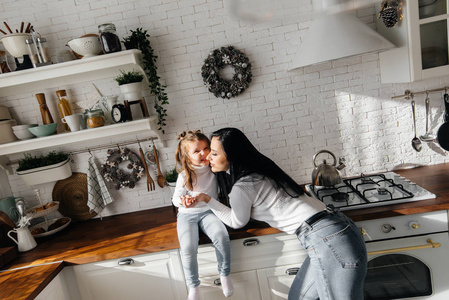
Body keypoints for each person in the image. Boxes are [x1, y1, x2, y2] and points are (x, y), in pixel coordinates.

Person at [186, 128, 367, 300]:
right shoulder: (260, 172)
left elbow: (236, 221)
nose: (208, 156)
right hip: (333, 230)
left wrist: (207, 200)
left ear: (232, 156)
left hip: (328, 239)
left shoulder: (242, 187)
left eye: (215, 153)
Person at [173, 130, 234, 300]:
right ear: (187, 157)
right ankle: (193, 286)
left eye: (206, 148)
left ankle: (224, 275)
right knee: (188, 247)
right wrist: (182, 202)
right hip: (187, 215)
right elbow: (175, 199)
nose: (203, 153)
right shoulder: (185, 175)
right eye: (196, 151)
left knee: (221, 236)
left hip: (209, 212)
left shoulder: (214, 169)